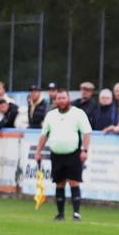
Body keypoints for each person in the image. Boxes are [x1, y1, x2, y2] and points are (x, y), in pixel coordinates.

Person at [33, 89, 92, 221]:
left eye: (63, 98)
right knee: (59, 184)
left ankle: (76, 213)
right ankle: (60, 214)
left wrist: (85, 150)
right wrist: (38, 151)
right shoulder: (51, 115)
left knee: (74, 182)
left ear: (68, 99)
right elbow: (44, 135)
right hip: (56, 154)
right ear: (55, 100)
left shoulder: (78, 113)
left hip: (73, 154)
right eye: (59, 98)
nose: (61, 100)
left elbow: (86, 133)